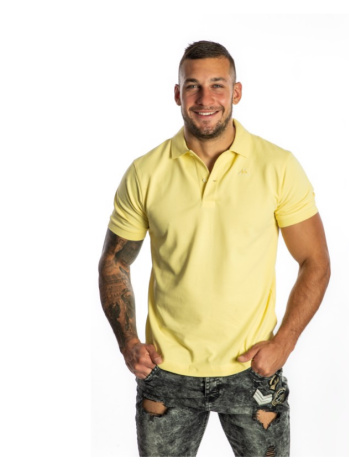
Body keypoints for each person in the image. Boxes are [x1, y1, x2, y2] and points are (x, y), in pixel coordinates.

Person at [98, 40, 330, 457]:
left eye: (217, 85)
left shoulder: (277, 166)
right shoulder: (146, 172)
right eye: (193, 86)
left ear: (236, 92)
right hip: (165, 372)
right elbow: (115, 261)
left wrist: (284, 343)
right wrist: (128, 342)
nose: (205, 99)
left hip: (253, 372)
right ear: (178, 94)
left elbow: (315, 261)